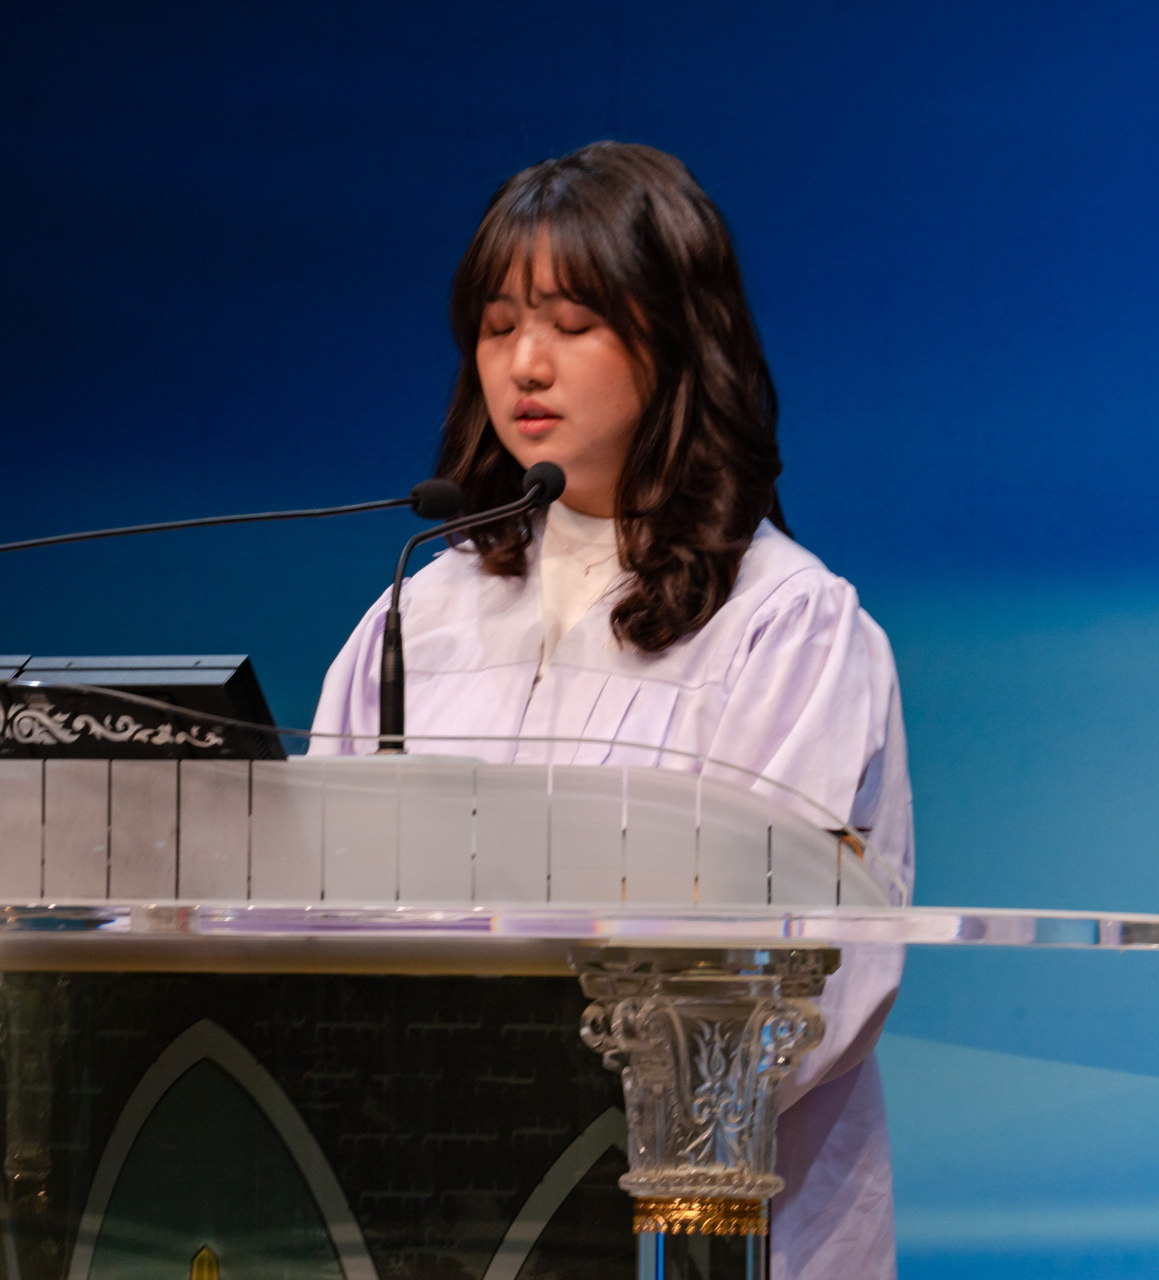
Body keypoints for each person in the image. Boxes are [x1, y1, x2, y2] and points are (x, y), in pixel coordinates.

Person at [309, 142, 912, 1279]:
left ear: (675, 339)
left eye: (572, 323)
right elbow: (316, 908)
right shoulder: (417, 617)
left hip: (695, 1221)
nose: (525, 363)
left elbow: (813, 971)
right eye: (497, 327)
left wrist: (539, 1096)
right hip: (432, 1208)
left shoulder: (782, 625)